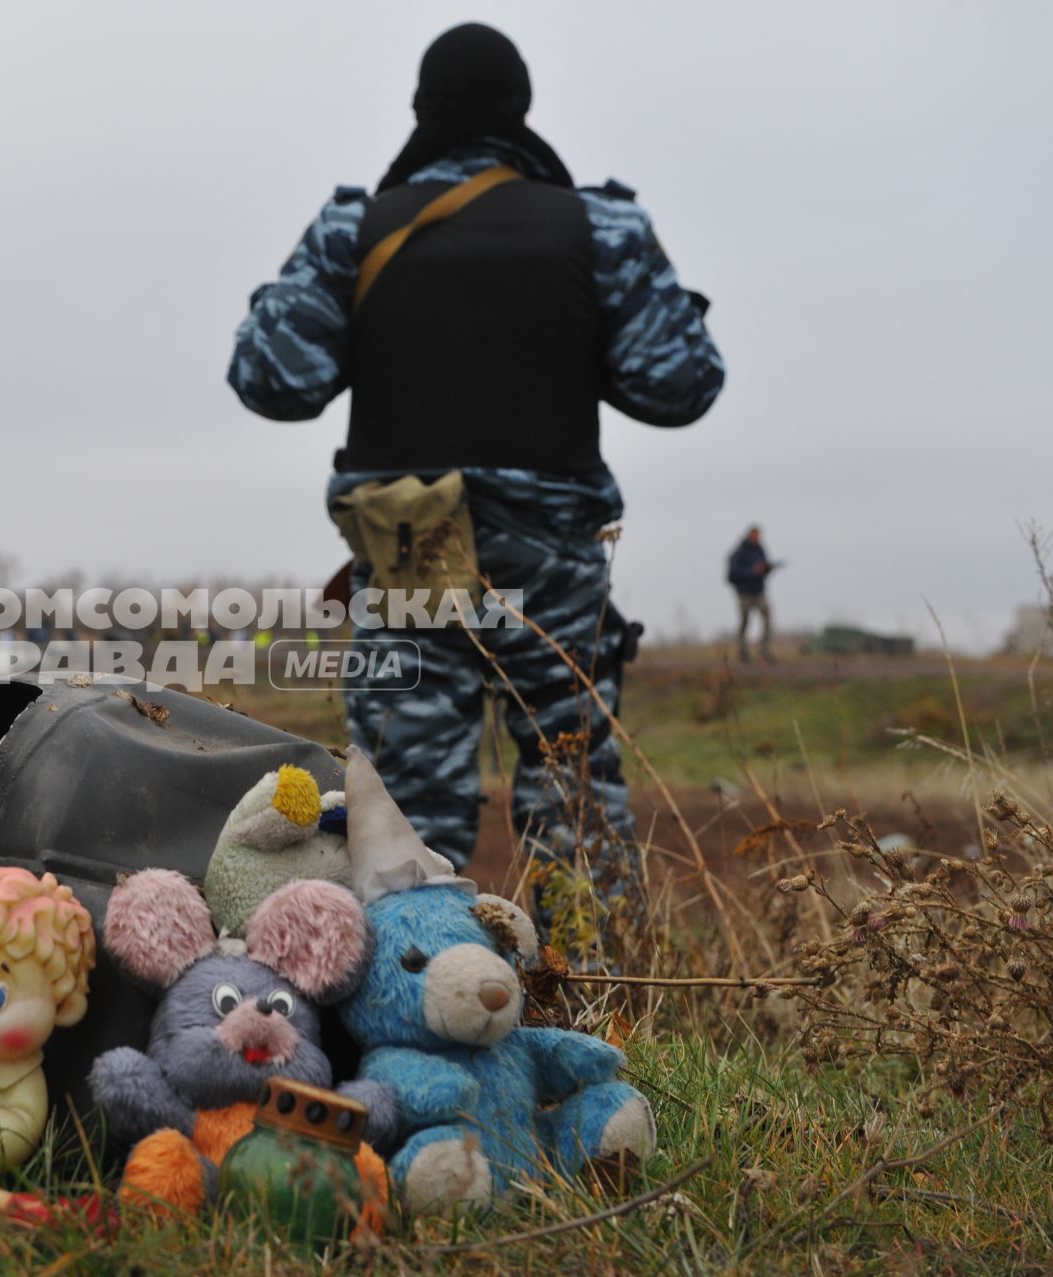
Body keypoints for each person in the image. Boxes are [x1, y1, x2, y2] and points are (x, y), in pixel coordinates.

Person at [227, 22, 724, 944]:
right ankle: (604, 1015)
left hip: (412, 549)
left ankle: (411, 1003)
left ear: (422, 113)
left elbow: (272, 378)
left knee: (401, 812)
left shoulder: (355, 230)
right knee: (573, 800)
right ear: (522, 112)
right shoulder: (601, 228)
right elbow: (681, 383)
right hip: (559, 569)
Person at [727, 526, 774, 663]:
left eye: (759, 535)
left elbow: (763, 569)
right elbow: (732, 574)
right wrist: (752, 571)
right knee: (745, 621)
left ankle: (764, 651)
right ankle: (743, 652)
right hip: (744, 593)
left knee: (767, 617)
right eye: (755, 535)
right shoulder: (738, 552)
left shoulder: (760, 550)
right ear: (749, 535)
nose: (757, 538)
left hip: (759, 591)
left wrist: (766, 569)